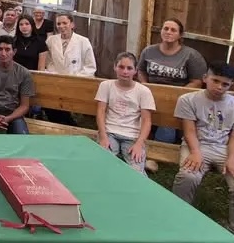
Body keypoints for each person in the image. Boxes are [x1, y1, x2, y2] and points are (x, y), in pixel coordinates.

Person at [171, 61, 234, 233]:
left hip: (224, 148)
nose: (219, 87)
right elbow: (189, 131)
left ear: (231, 85)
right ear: (205, 78)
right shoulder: (188, 100)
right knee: (188, 176)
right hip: (196, 145)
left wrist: (231, 158)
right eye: (215, 81)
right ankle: (178, 217)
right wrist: (195, 152)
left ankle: (232, 228)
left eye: (225, 84)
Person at [138, 18, 207, 146]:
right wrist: (145, 86)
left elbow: (197, 81)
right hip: (150, 94)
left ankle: (159, 148)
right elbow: (141, 70)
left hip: (176, 99)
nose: (168, 32)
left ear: (180, 35)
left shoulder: (191, 55)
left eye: (173, 30)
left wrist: (177, 95)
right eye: (166, 28)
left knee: (167, 121)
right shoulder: (148, 51)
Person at [95, 52, 156, 175]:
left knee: (136, 171)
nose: (125, 72)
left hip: (132, 136)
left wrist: (139, 144)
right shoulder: (105, 86)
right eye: (121, 67)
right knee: (101, 165)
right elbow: (100, 112)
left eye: (129, 68)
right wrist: (103, 136)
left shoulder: (143, 91)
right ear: (115, 67)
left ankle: (142, 167)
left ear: (135, 71)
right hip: (110, 132)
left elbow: (146, 120)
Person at [44, 14, 96, 125]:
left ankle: (69, 123)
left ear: (72, 24)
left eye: (65, 23)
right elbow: (49, 62)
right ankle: (64, 124)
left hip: (76, 82)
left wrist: (75, 78)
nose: (61, 26)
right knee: (50, 104)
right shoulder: (51, 41)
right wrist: (55, 74)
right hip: (56, 81)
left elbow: (90, 66)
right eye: (58, 24)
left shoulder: (83, 41)